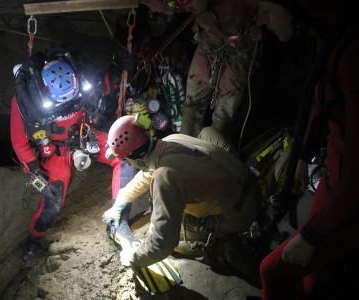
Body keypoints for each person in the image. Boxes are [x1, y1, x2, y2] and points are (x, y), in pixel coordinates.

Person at [258, 0, 359, 299]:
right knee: (310, 280)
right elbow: (319, 102)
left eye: (267, 10)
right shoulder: (328, 42)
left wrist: (315, 234)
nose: (264, 20)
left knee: (272, 271)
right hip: (335, 180)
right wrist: (302, 155)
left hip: (349, 194)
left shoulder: (350, 56)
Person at [101, 115, 260, 278]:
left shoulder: (165, 177)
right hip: (245, 182)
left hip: (238, 214)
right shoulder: (171, 139)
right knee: (207, 133)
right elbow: (148, 172)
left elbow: (162, 243)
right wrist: (122, 200)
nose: (127, 163)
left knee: (173, 236)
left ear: (134, 158)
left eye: (126, 160)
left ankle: (222, 246)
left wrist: (133, 257)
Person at [11, 48, 128, 265]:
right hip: (56, 150)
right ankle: (33, 239)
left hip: (84, 133)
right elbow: (19, 143)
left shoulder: (83, 80)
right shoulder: (27, 101)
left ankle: (119, 214)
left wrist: (120, 69)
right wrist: (37, 176)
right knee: (52, 202)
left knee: (122, 153)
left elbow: (106, 84)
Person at [140, 0, 263, 142]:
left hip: (239, 49)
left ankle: (209, 153)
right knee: (193, 105)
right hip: (209, 43)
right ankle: (185, 148)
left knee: (223, 113)